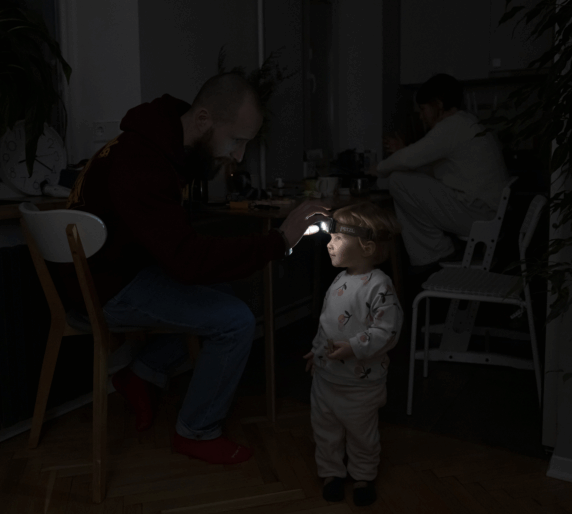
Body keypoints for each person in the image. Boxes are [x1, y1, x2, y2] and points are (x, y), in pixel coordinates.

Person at [59, 73, 329, 465]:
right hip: (102, 289)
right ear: (202, 120)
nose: (238, 156)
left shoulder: (161, 143)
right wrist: (280, 240)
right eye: (237, 141)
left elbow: (179, 251)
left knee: (224, 296)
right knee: (234, 320)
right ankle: (197, 431)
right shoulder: (142, 164)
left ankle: (143, 373)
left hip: (116, 271)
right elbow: (187, 261)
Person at [302, 202, 403, 507]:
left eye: (337, 239)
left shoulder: (379, 286)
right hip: (326, 380)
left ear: (367, 247)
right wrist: (317, 351)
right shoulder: (340, 280)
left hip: (361, 386)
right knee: (326, 431)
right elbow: (328, 322)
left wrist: (355, 347)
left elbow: (387, 330)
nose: (329, 243)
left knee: (362, 435)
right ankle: (332, 473)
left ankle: (363, 476)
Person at [374, 73, 510, 274]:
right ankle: (432, 254)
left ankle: (436, 253)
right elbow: (426, 166)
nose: (421, 116)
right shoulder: (466, 122)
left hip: (480, 215)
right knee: (403, 183)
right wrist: (405, 153)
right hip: (486, 212)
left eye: (423, 109)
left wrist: (376, 169)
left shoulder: (452, 126)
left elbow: (409, 159)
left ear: (438, 104)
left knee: (398, 181)